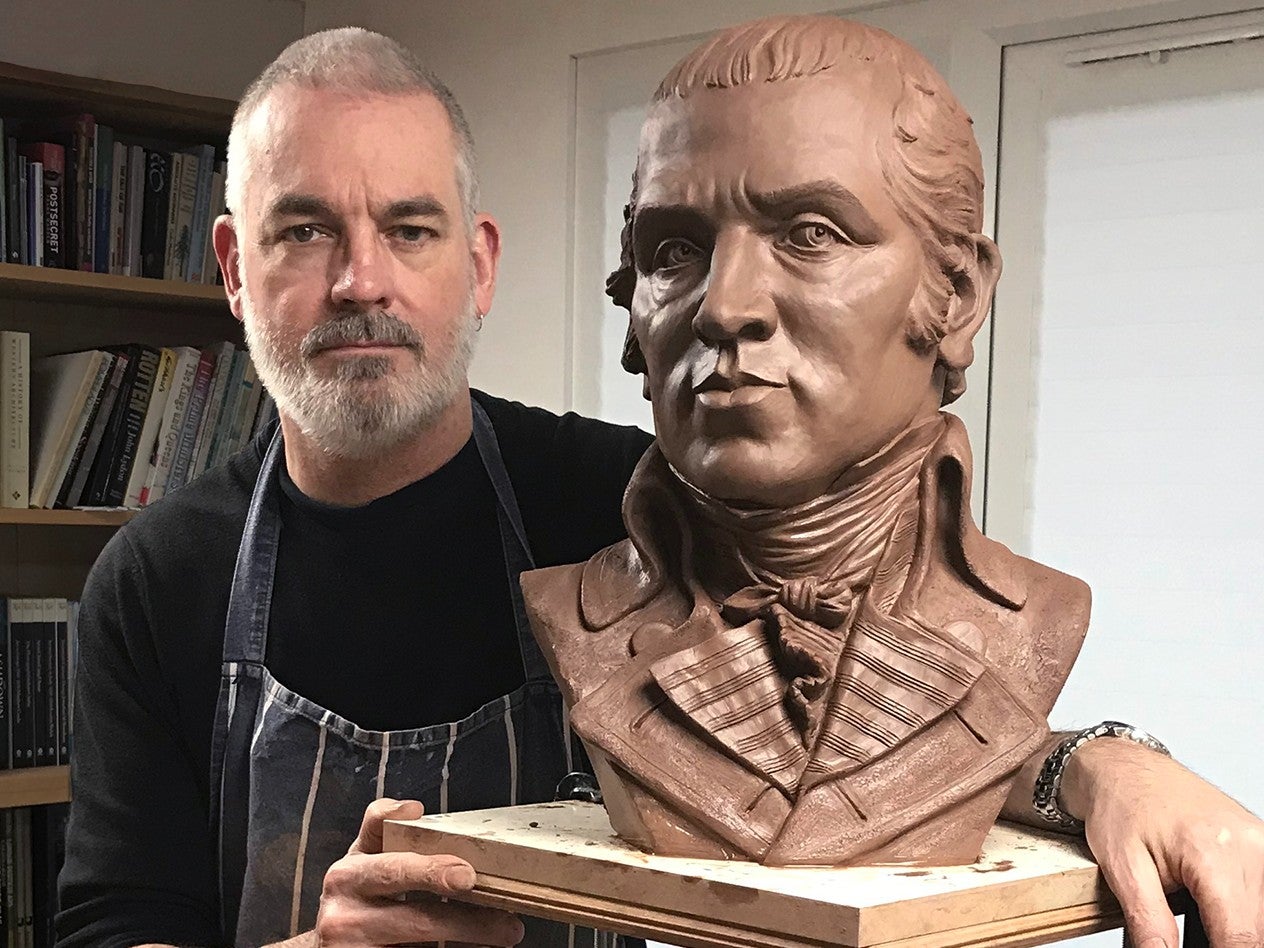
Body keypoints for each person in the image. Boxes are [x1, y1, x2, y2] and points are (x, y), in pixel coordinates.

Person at [56, 24, 1262, 948]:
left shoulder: (631, 499)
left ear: (479, 264)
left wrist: (1103, 763)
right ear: (233, 267)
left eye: (411, 230)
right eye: (303, 230)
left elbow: (881, 727)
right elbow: (116, 924)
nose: (360, 280)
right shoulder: (158, 578)